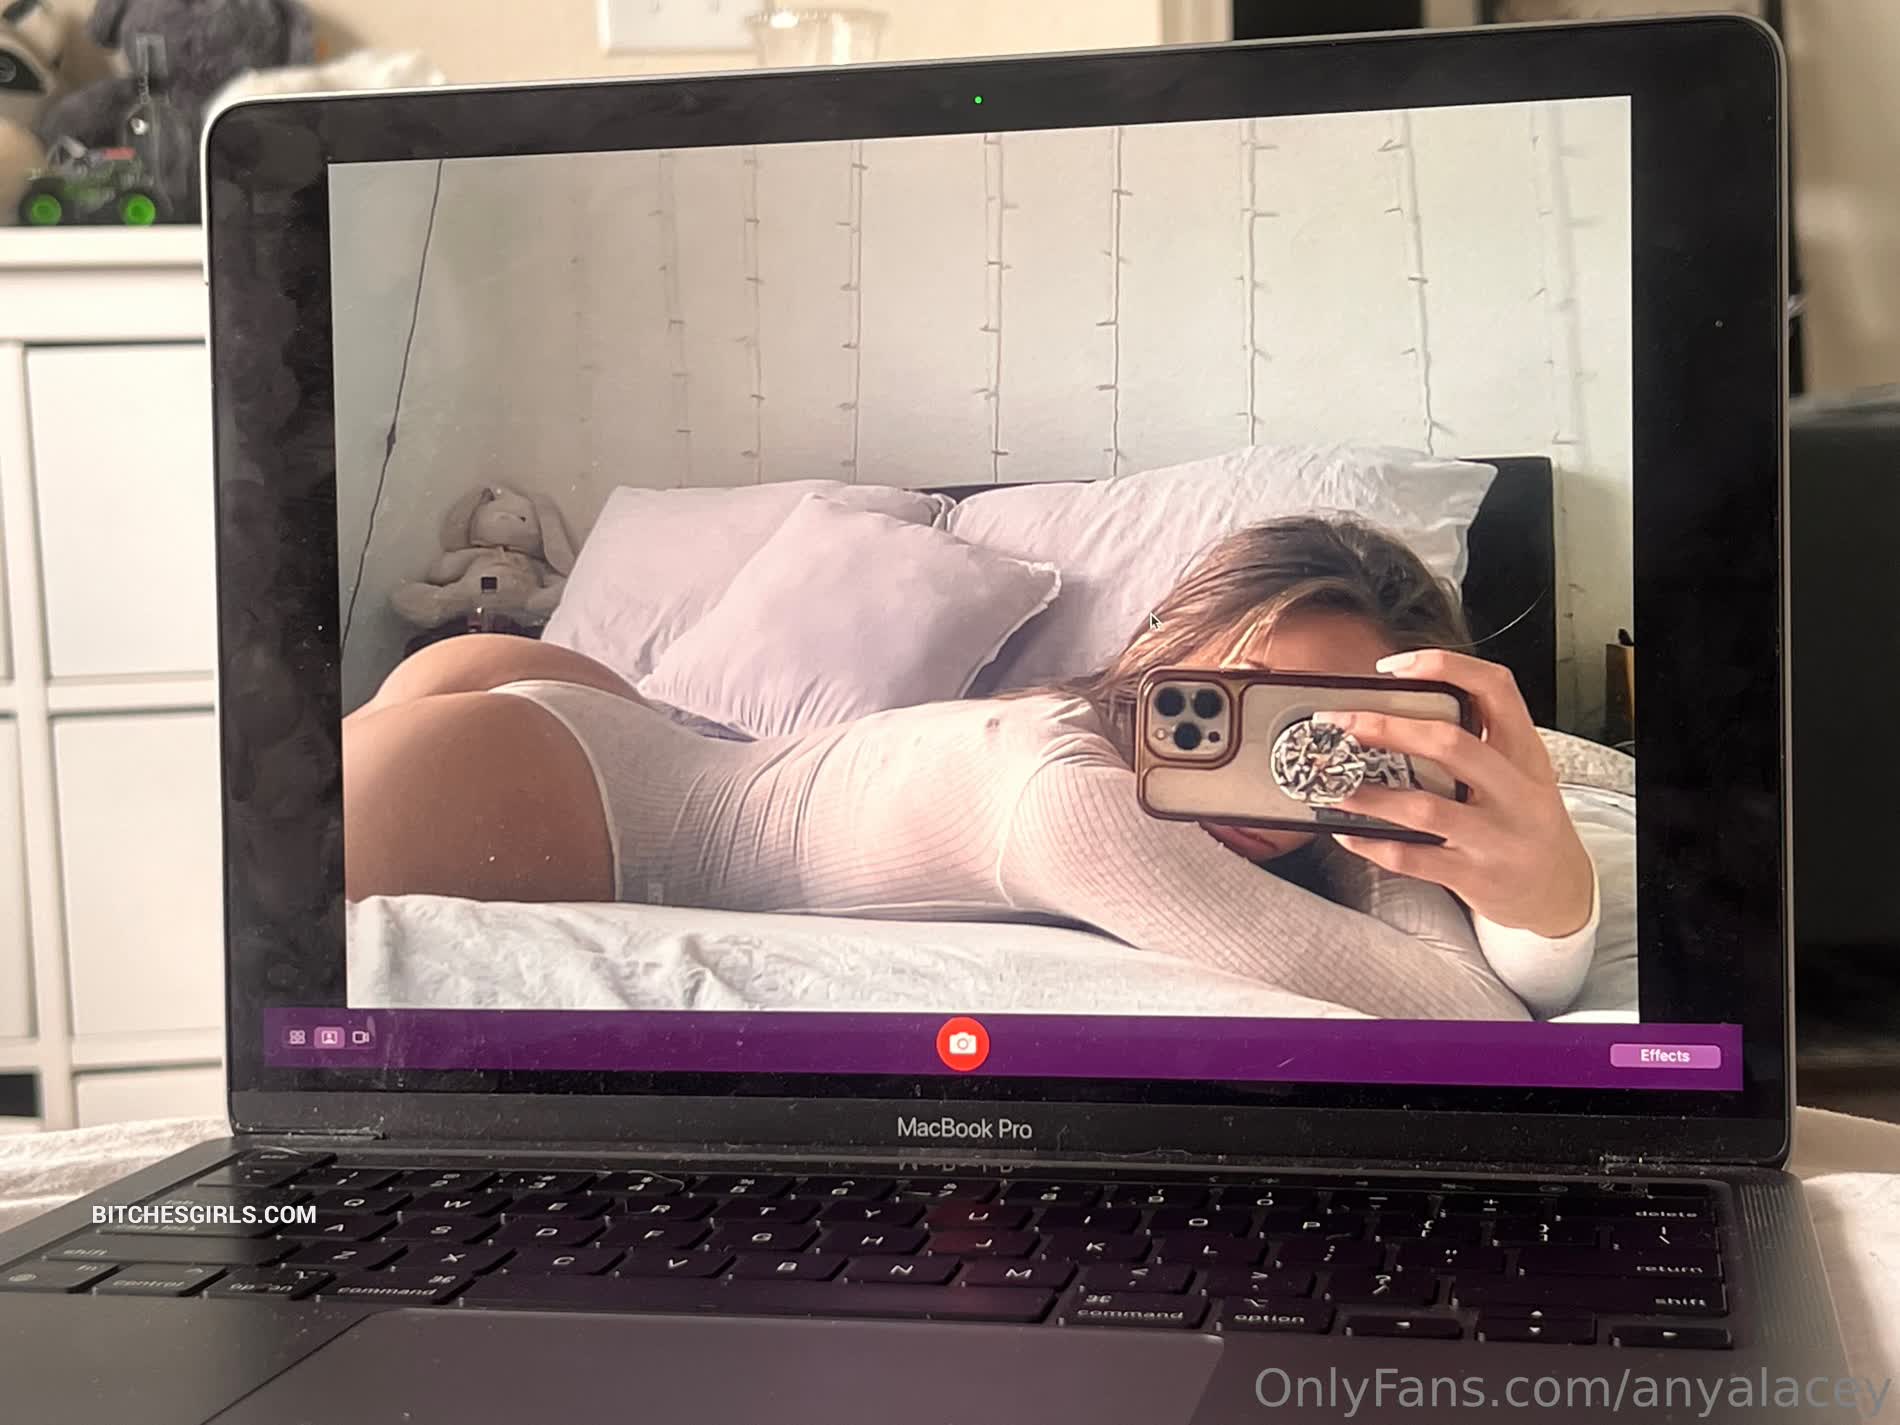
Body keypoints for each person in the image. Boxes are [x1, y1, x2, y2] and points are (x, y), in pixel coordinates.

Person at [341, 516, 1598, 1021]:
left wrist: (1410, 804)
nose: (1276, 774)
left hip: (622, 725)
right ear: (1162, 661)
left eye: (1326, 740)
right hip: (542, 788)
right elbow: (1471, 1014)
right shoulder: (1066, 798)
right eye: (1230, 703)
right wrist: (1548, 902)